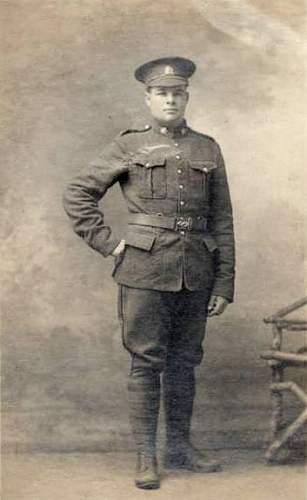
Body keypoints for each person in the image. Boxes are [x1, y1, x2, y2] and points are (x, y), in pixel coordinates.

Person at [63, 56, 235, 490]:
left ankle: (180, 448)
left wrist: (225, 281)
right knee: (146, 362)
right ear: (148, 98)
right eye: (162, 93)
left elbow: (222, 219)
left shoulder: (207, 148)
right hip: (143, 269)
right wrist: (110, 244)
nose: (171, 99)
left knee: (184, 363)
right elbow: (78, 194)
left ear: (187, 96)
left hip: (196, 269)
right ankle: (147, 457)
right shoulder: (129, 145)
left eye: (178, 93)